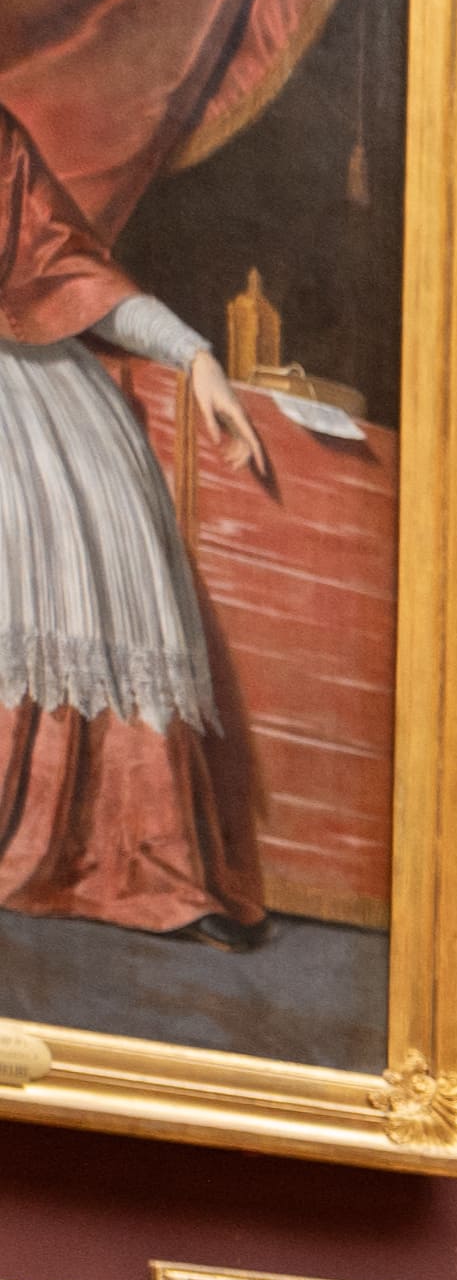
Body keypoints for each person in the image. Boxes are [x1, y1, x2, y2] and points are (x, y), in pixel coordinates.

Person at [0, 91, 275, 941]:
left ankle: (141, 853)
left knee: (92, 504)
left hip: (20, 376)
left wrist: (195, 356)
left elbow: (70, 271)